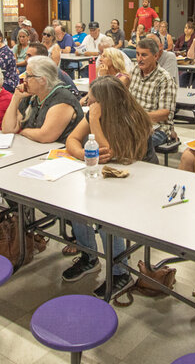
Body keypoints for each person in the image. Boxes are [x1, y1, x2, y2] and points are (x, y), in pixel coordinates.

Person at [63, 76, 156, 297]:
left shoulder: (134, 117)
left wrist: (94, 122)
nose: (89, 103)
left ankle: (120, 272)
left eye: (93, 100)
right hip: (108, 176)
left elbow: (110, 153)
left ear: (107, 102)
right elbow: (72, 140)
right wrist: (82, 152)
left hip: (139, 181)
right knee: (76, 206)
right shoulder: (96, 113)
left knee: (105, 216)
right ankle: (89, 256)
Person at [2, 55, 83, 144]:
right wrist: (15, 98)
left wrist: (23, 132)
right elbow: (8, 129)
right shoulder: (32, 95)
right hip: (34, 148)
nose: (24, 80)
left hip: (60, 152)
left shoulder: (62, 99)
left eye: (28, 76)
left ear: (42, 80)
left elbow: (45, 136)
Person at [129, 38, 176, 148]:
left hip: (158, 128)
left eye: (144, 55)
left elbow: (164, 114)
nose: (139, 59)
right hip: (134, 123)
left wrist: (138, 117)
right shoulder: (135, 70)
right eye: (137, 54)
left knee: (132, 142)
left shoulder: (164, 79)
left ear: (155, 56)